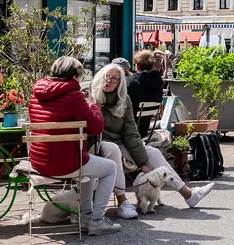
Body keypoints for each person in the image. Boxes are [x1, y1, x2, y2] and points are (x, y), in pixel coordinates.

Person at [91, 64, 214, 214]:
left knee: (153, 152)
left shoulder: (124, 100)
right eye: (107, 76)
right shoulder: (92, 97)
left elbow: (131, 132)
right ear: (100, 76)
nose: (109, 81)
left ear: (120, 83)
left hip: (121, 142)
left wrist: (142, 161)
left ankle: (188, 194)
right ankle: (122, 202)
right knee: (113, 149)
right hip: (99, 143)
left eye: (114, 79)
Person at [28, 57, 120, 235]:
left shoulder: (36, 95)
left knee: (90, 166)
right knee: (110, 168)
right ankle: (97, 220)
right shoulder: (73, 96)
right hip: (67, 164)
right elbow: (97, 126)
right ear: (75, 76)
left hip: (39, 163)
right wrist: (93, 104)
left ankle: (86, 215)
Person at [127, 50, 163, 135]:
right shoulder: (158, 81)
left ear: (137, 66)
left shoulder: (133, 82)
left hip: (130, 127)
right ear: (152, 65)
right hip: (144, 127)